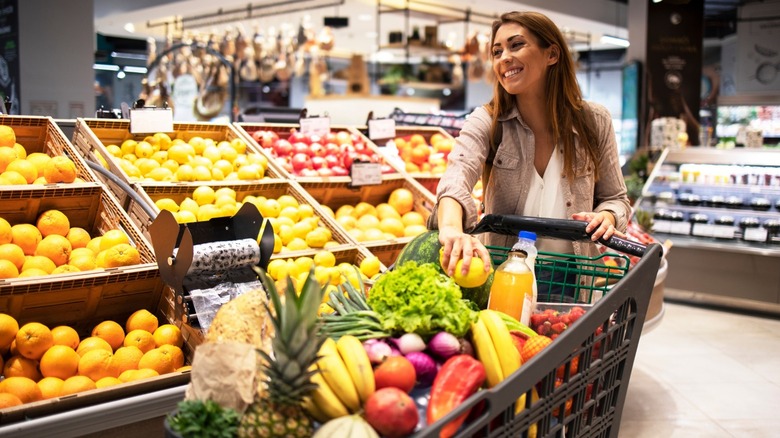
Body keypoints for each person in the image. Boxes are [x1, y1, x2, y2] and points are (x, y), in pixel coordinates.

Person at [431, 11, 631, 285]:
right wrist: (452, 230)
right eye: (497, 51)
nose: (504, 58)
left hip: (572, 280)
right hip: (502, 274)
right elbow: (456, 179)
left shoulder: (594, 122)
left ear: (552, 55)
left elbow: (616, 198)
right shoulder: (489, 121)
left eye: (516, 45)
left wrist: (607, 216)